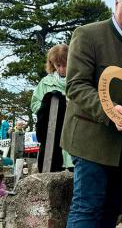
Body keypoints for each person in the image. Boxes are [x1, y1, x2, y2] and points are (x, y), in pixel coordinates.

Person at [60, 0, 122, 227]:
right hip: (92, 141)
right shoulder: (88, 34)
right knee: (86, 209)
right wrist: (111, 112)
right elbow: (76, 86)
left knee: (113, 209)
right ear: (116, 3)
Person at [31, 44, 73, 172]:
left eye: (64, 65)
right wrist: (48, 107)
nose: (61, 69)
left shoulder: (80, 80)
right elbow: (34, 104)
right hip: (52, 133)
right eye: (57, 65)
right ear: (52, 64)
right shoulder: (45, 82)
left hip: (73, 130)